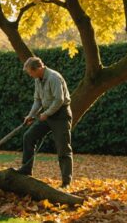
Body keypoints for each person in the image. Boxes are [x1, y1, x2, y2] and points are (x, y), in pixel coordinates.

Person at [17, 56, 73, 188]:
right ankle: (26, 170)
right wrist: (30, 115)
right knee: (28, 137)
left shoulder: (54, 77)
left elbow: (59, 100)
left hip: (60, 115)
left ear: (38, 68)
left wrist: (46, 114)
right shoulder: (38, 79)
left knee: (63, 148)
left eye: (31, 72)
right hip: (46, 115)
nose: (30, 75)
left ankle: (66, 182)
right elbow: (37, 100)